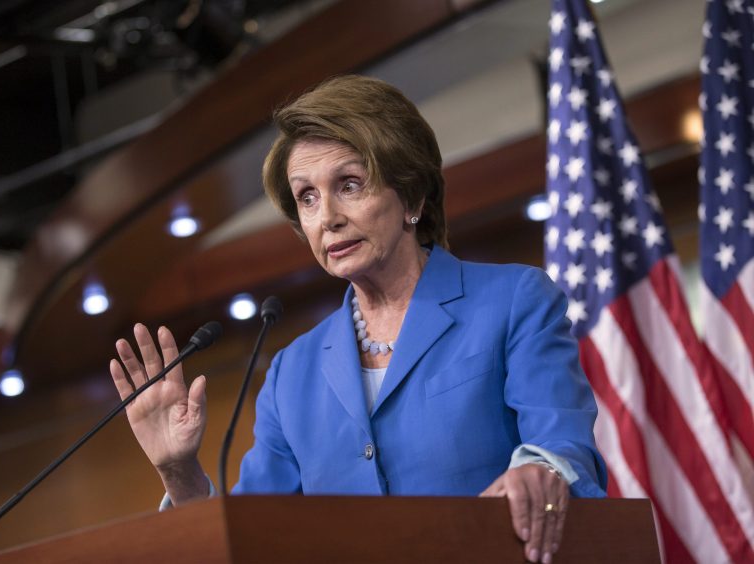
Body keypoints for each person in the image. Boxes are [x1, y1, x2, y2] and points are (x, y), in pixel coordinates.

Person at [110, 75, 607, 564]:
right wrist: (179, 470)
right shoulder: (291, 372)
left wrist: (540, 471)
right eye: (307, 197)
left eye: (349, 185)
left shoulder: (513, 300)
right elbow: (249, 538)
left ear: (411, 196)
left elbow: (561, 445)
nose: (327, 217)